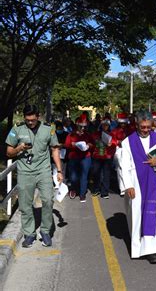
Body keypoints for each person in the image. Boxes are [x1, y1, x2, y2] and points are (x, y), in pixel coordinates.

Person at [5, 105, 63, 248]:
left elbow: (55, 149)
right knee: (25, 204)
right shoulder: (17, 128)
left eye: (32, 120)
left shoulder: (49, 128)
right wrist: (19, 148)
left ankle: (45, 232)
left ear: (38, 116)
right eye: (27, 120)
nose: (30, 122)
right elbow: (9, 152)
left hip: (43, 170)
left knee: (48, 200)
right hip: (25, 172)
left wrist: (60, 171)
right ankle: (29, 234)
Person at [120, 111, 156, 264]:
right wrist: (128, 185)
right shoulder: (127, 142)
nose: (146, 130)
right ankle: (137, 247)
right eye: (142, 127)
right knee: (136, 214)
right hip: (135, 181)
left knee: (151, 213)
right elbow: (124, 165)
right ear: (136, 125)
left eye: (148, 127)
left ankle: (151, 250)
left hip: (153, 180)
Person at [64, 115, 94, 202]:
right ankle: (73, 189)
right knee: (73, 177)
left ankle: (82, 194)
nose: (83, 128)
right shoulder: (71, 135)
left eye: (85, 127)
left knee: (84, 176)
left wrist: (88, 146)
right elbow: (66, 145)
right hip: (74, 158)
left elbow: (93, 144)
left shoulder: (88, 135)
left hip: (85, 158)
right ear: (77, 125)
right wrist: (73, 144)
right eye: (81, 126)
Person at [90, 119, 116, 199]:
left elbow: (115, 143)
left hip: (107, 157)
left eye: (107, 125)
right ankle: (96, 189)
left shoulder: (112, 134)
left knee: (106, 175)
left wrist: (111, 144)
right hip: (97, 157)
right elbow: (91, 143)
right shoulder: (96, 134)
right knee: (96, 173)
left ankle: (104, 192)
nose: (105, 126)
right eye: (104, 125)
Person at [111, 112, 132, 196]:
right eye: (121, 123)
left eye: (124, 123)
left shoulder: (130, 129)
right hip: (119, 150)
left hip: (129, 149)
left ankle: (129, 186)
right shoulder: (115, 130)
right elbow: (112, 140)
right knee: (120, 169)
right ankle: (122, 189)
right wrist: (117, 142)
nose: (123, 124)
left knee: (129, 168)